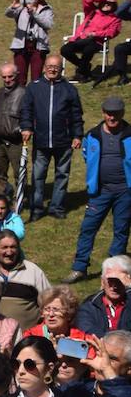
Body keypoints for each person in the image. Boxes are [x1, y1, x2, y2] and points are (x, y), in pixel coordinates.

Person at [66, 96, 130, 282]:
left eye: (116, 114)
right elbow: (87, 156)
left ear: (122, 113)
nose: (112, 117)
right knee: (88, 228)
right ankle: (79, 268)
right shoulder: (93, 135)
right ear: (103, 113)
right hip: (99, 191)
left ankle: (115, 269)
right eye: (109, 113)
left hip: (125, 192)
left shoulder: (130, 134)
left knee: (121, 229)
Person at [20, 57, 83, 221]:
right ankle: (37, 209)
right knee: (38, 176)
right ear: (44, 68)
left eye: (56, 67)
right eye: (49, 66)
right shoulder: (34, 87)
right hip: (41, 141)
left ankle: (57, 207)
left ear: (61, 69)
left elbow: (76, 114)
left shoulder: (69, 89)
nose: (52, 69)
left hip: (64, 141)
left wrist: (77, 135)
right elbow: (26, 110)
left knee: (62, 175)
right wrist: (26, 127)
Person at [61, 0, 123, 81]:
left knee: (87, 50)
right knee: (65, 50)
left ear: (114, 6)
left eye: (109, 3)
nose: (106, 4)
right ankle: (86, 69)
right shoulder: (92, 12)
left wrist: (96, 34)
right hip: (80, 39)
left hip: (96, 41)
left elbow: (112, 33)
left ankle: (81, 74)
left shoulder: (115, 19)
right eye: (104, 2)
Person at [5, 0, 54, 86]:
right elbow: (8, 14)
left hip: (38, 46)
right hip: (22, 45)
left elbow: (48, 24)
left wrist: (34, 13)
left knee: (36, 79)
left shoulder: (46, 8)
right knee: (20, 78)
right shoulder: (21, 7)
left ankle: (35, 100)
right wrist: (12, 7)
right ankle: (20, 100)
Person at [76, 256, 131, 337]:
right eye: (110, 281)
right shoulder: (90, 306)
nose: (114, 286)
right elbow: (88, 331)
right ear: (102, 282)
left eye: (119, 281)